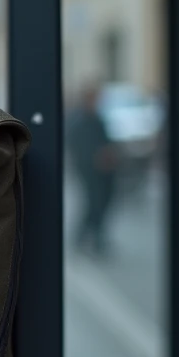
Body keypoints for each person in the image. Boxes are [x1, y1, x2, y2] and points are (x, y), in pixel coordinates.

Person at [67, 83, 118, 257]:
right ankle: (93, 238)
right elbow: (79, 146)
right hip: (89, 170)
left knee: (101, 201)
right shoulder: (80, 120)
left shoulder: (96, 118)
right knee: (94, 202)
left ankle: (89, 237)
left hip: (103, 170)